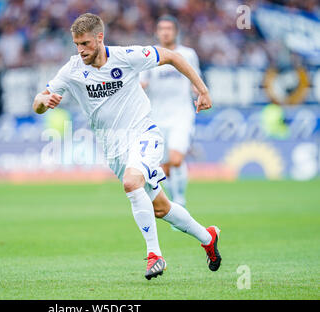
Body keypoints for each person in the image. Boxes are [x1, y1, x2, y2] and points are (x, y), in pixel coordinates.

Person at [32, 13, 221, 280]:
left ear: (100, 37)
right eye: (76, 44)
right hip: (114, 148)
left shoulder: (126, 56)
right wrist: (43, 101)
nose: (80, 50)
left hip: (144, 134)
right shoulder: (72, 69)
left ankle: (155, 255)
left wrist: (202, 90)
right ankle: (208, 237)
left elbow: (173, 56)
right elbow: (39, 101)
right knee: (161, 208)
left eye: (85, 43)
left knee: (132, 183)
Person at [140, 15, 200, 207]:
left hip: (181, 114)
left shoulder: (188, 54)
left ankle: (180, 200)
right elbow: (142, 84)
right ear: (157, 32)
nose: (165, 32)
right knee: (163, 166)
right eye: (161, 28)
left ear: (176, 31)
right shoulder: (149, 55)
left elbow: (195, 80)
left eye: (169, 28)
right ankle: (174, 202)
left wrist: (200, 93)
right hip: (156, 116)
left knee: (176, 159)